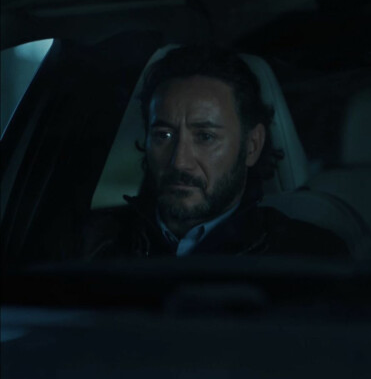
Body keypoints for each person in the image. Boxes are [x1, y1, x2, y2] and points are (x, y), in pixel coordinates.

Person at [78, 45, 349, 259]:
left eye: (205, 137)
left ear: (252, 146)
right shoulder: (95, 243)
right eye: (164, 135)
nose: (179, 162)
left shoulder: (306, 257)